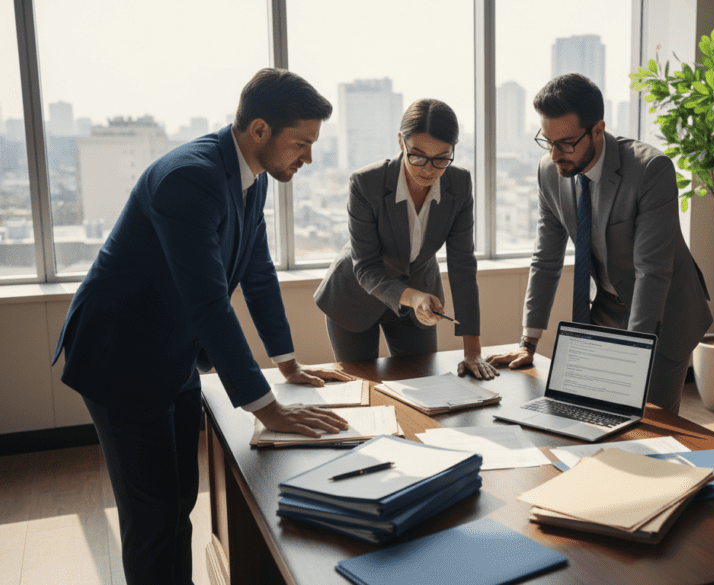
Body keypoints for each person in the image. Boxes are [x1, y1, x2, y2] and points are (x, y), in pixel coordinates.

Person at [51, 68, 349, 585]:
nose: (307, 157)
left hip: (173, 353)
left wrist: (287, 363)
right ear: (260, 130)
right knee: (152, 517)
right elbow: (209, 304)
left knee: (180, 501)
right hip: (119, 357)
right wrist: (267, 408)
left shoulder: (249, 178)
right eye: (300, 143)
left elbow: (257, 272)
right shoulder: (190, 178)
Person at [487, 73, 713, 414]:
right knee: (588, 411)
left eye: (565, 143)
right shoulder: (550, 171)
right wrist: (528, 342)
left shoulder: (650, 170)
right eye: (547, 141)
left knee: (649, 422)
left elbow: (652, 272)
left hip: (665, 311)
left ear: (597, 130)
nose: (554, 153)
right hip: (607, 306)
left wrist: (632, 358)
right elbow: (546, 259)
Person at [314, 99, 497, 380]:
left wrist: (472, 350)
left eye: (441, 158)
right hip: (355, 295)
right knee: (364, 388)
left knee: (424, 383)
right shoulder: (366, 183)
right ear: (401, 142)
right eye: (418, 155)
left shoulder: (459, 184)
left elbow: (462, 266)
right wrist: (415, 298)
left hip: (419, 295)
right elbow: (366, 267)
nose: (428, 169)